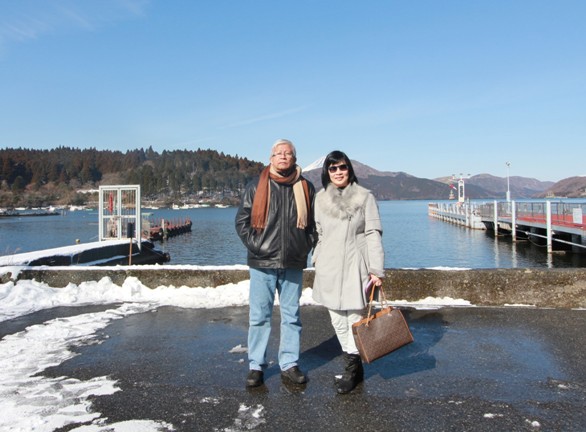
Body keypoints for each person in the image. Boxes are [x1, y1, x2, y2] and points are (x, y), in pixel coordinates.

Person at [235, 138, 315, 388]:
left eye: (287, 153)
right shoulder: (255, 186)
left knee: (292, 316)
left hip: (293, 261)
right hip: (262, 263)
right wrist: (258, 246)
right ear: (271, 158)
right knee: (259, 316)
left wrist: (304, 245)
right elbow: (242, 222)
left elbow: (314, 225)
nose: (283, 156)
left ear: (294, 158)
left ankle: (289, 363)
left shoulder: (306, 187)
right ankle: (256, 365)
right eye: (278, 153)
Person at [311, 150, 385, 394]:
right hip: (329, 267)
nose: (338, 172)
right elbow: (320, 233)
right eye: (332, 168)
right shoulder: (320, 199)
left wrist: (376, 269)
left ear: (349, 169)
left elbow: (373, 233)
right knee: (336, 320)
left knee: (354, 319)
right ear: (327, 172)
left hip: (356, 265)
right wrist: (317, 258)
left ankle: (352, 370)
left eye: (342, 167)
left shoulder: (365, 197)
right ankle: (354, 365)